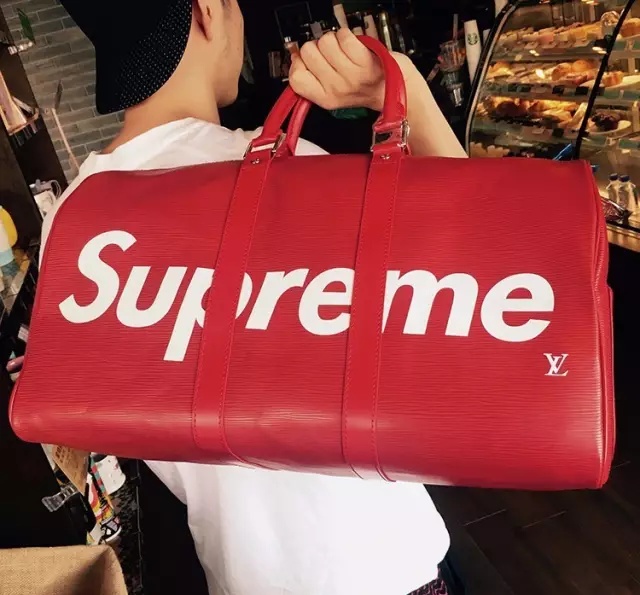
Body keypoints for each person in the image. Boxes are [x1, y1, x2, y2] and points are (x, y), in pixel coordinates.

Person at [51, 1, 466, 594]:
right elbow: (474, 282)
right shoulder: (286, 174)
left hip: (242, 572)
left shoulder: (71, 215)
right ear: (207, 10)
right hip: (376, 561)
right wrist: (408, 92)